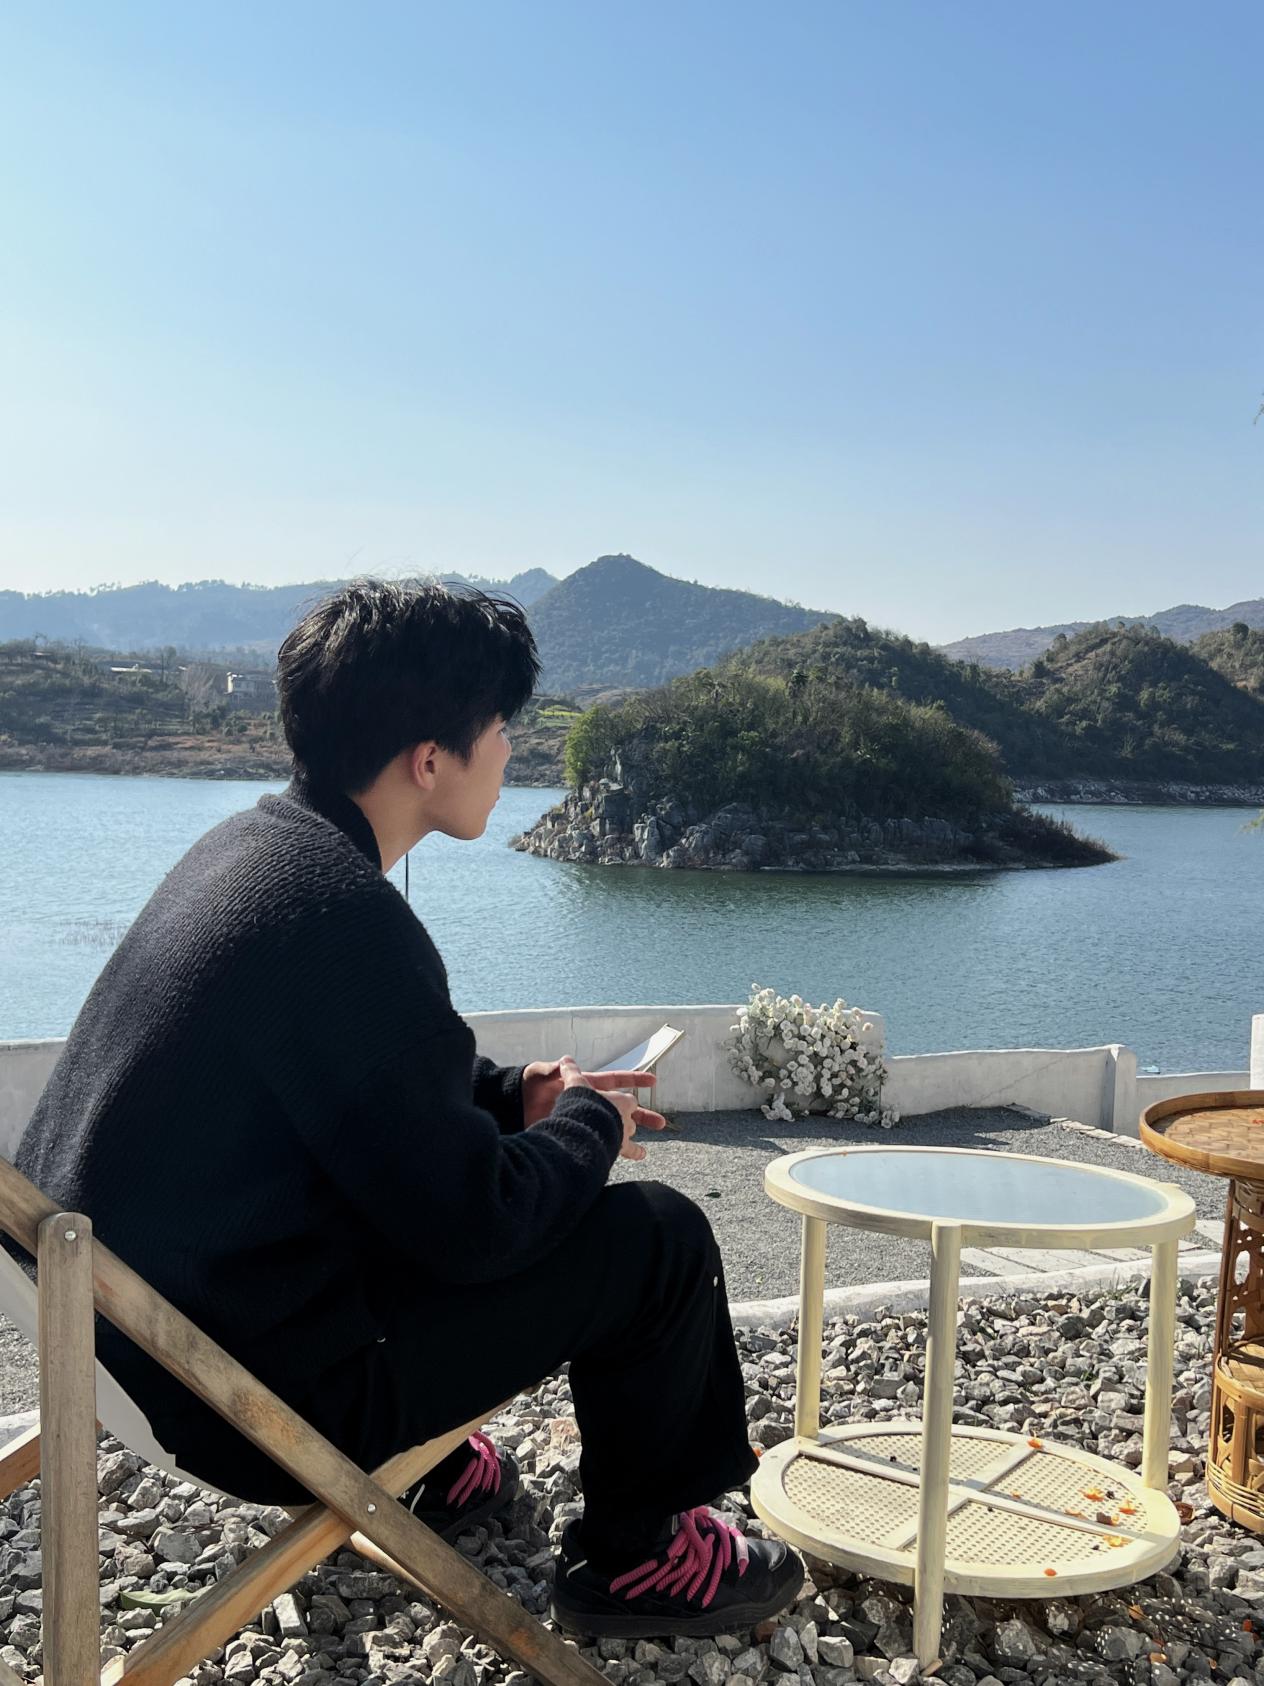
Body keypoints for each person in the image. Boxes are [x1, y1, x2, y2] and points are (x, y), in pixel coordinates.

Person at [14, 579, 802, 1637]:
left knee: (435, 1198)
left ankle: (436, 1473)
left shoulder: (251, 856)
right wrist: (589, 1124)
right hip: (248, 1407)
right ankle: (640, 1560)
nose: (511, 752)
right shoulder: (348, 920)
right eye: (500, 729)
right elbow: (480, 1227)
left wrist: (510, 1096)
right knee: (656, 1239)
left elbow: (348, 1087)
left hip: (121, 1345)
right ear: (430, 761)